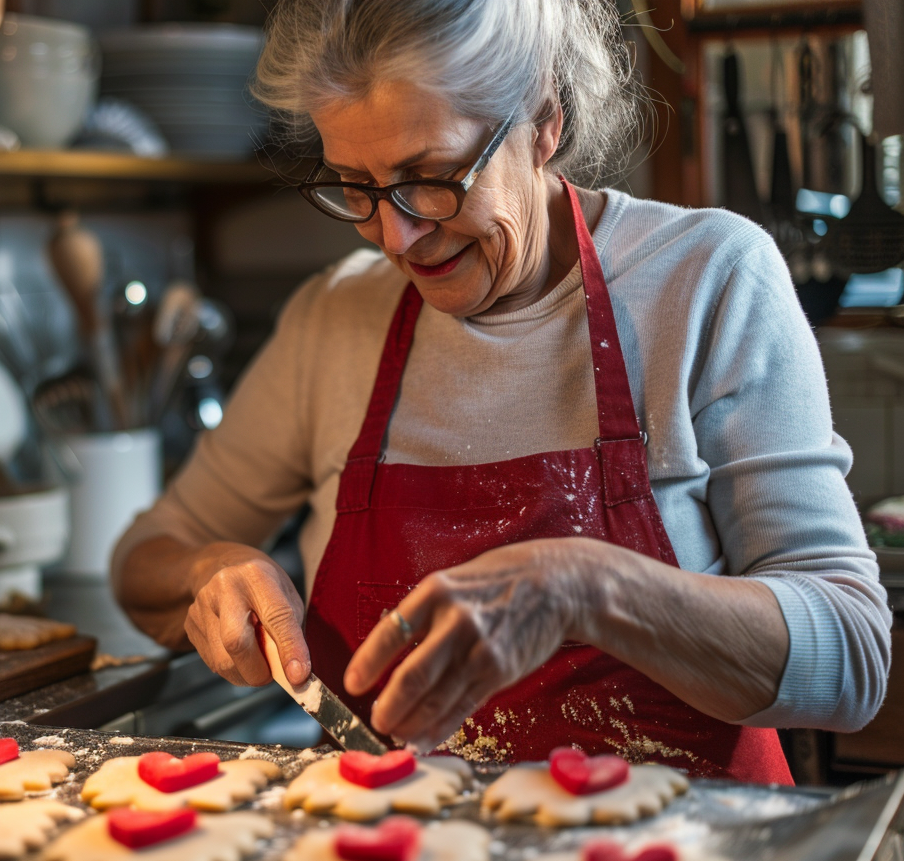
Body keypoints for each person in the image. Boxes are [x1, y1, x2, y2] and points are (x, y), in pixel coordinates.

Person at [112, 0, 891, 784]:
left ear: (545, 122)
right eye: (356, 185)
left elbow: (853, 657)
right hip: (393, 859)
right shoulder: (333, 318)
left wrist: (589, 589)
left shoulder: (706, 279)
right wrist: (208, 569)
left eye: (433, 179)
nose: (397, 237)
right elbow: (145, 560)